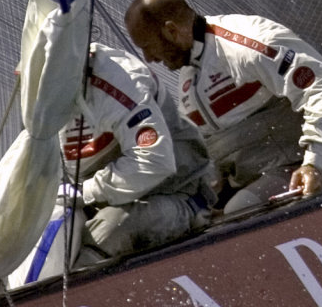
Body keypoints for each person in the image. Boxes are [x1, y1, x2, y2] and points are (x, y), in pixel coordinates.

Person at [124, 0, 322, 214]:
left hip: (318, 165)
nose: (149, 59)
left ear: (171, 31)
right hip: (256, 177)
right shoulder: (188, 77)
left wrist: (315, 163)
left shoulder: (246, 45)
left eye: (147, 47)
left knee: (240, 210)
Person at [61, 40, 214, 268]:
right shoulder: (36, 92)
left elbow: (154, 162)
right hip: (97, 202)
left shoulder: (123, 80)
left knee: (107, 232)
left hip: (175, 196)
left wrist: (85, 192)